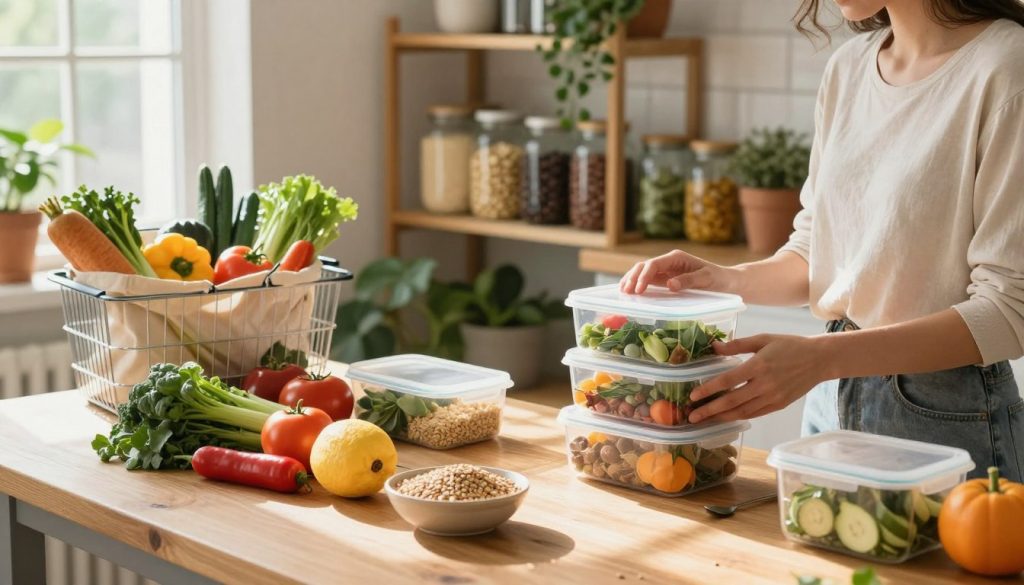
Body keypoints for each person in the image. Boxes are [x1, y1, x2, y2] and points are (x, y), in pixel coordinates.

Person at [620, 0, 1024, 481]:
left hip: (945, 420)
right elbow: (819, 251)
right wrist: (722, 279)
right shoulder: (849, 68)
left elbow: (1007, 311)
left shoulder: (1005, 68)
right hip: (829, 403)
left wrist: (819, 360)